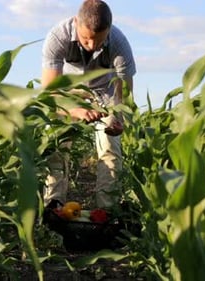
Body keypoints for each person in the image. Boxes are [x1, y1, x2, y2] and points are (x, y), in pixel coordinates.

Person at [41, 0, 136, 209]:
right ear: (76, 23)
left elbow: (125, 97)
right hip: (68, 92)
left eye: (99, 41)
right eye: (86, 39)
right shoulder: (58, 37)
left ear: (109, 30)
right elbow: (48, 94)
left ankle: (107, 210)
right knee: (56, 145)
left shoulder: (120, 45)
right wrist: (75, 110)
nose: (92, 46)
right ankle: (53, 207)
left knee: (111, 149)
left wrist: (119, 120)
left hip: (106, 94)